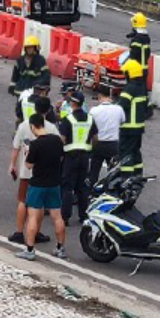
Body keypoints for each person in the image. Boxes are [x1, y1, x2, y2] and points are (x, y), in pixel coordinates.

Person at [16, 113, 68, 261]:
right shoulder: (57, 141)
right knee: (57, 217)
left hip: (38, 184)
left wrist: (27, 153)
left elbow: (29, 165)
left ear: (33, 126)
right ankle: (60, 248)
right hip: (54, 183)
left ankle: (30, 250)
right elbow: (61, 157)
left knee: (32, 216)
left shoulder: (36, 144)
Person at [9, 96, 58, 244]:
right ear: (49, 110)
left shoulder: (24, 125)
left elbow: (16, 147)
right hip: (43, 171)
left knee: (23, 201)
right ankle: (36, 231)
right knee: (39, 204)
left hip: (26, 169)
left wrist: (12, 165)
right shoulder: (51, 128)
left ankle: (19, 232)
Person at [60, 91, 98, 225]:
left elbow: (62, 140)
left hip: (70, 157)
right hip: (84, 157)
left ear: (73, 103)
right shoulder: (90, 119)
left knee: (67, 187)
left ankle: (65, 217)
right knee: (82, 187)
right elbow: (95, 138)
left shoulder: (68, 120)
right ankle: (83, 216)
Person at [118, 60, 151, 175]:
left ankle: (126, 176)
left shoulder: (129, 88)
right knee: (135, 151)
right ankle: (138, 174)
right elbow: (148, 109)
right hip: (139, 128)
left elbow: (121, 107)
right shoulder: (143, 88)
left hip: (128, 128)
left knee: (125, 152)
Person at [88, 89, 125, 186]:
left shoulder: (94, 111)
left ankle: (90, 194)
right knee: (114, 173)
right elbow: (122, 122)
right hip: (113, 145)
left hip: (98, 144)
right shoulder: (118, 109)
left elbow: (90, 127)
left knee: (94, 172)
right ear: (110, 97)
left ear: (100, 96)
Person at [127, 13, 152, 85]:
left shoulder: (136, 40)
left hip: (136, 70)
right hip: (144, 70)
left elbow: (133, 56)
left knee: (133, 90)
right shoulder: (146, 38)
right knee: (141, 90)